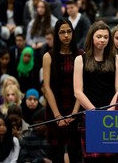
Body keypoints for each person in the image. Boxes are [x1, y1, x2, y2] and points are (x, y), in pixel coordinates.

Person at [73, 20, 118, 163]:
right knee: (92, 160)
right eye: (99, 36)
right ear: (91, 37)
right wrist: (94, 112)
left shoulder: (116, 59)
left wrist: (110, 110)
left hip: (111, 115)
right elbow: (78, 92)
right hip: (90, 115)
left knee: (112, 158)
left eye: (106, 37)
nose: (102, 40)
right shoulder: (80, 59)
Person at [43, 19, 81, 163]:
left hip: (75, 105)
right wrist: (57, 115)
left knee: (76, 153)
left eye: (69, 31)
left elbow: (81, 87)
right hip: (55, 107)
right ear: (56, 35)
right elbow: (47, 88)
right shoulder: (49, 56)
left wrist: (74, 113)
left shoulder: (80, 54)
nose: (66, 35)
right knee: (56, 153)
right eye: (62, 32)